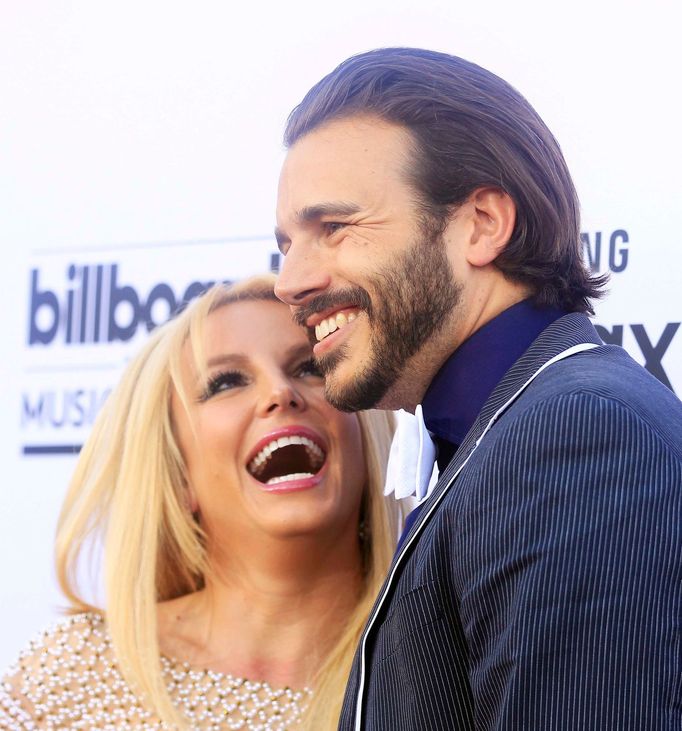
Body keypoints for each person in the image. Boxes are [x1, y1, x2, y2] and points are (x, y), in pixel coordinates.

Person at [274, 47, 682, 730]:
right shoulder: (505, 436)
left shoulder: (577, 435)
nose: (290, 281)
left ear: (483, 224)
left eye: (334, 228)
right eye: (286, 242)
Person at [0, 274, 402, 730]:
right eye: (226, 382)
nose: (279, 392)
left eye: (310, 368)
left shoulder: (446, 664)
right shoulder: (70, 680)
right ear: (177, 475)